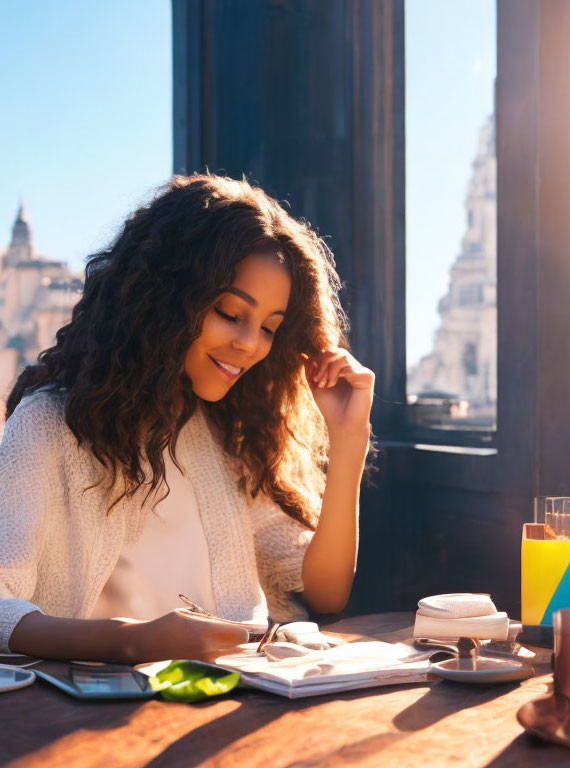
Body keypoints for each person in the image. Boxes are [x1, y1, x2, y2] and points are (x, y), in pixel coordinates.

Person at [0, 174, 374, 663]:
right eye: (229, 312)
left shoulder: (224, 436)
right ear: (163, 297)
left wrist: (349, 441)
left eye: (268, 328)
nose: (250, 344)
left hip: (226, 709)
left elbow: (324, 591)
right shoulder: (47, 424)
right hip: (91, 725)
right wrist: (133, 641)